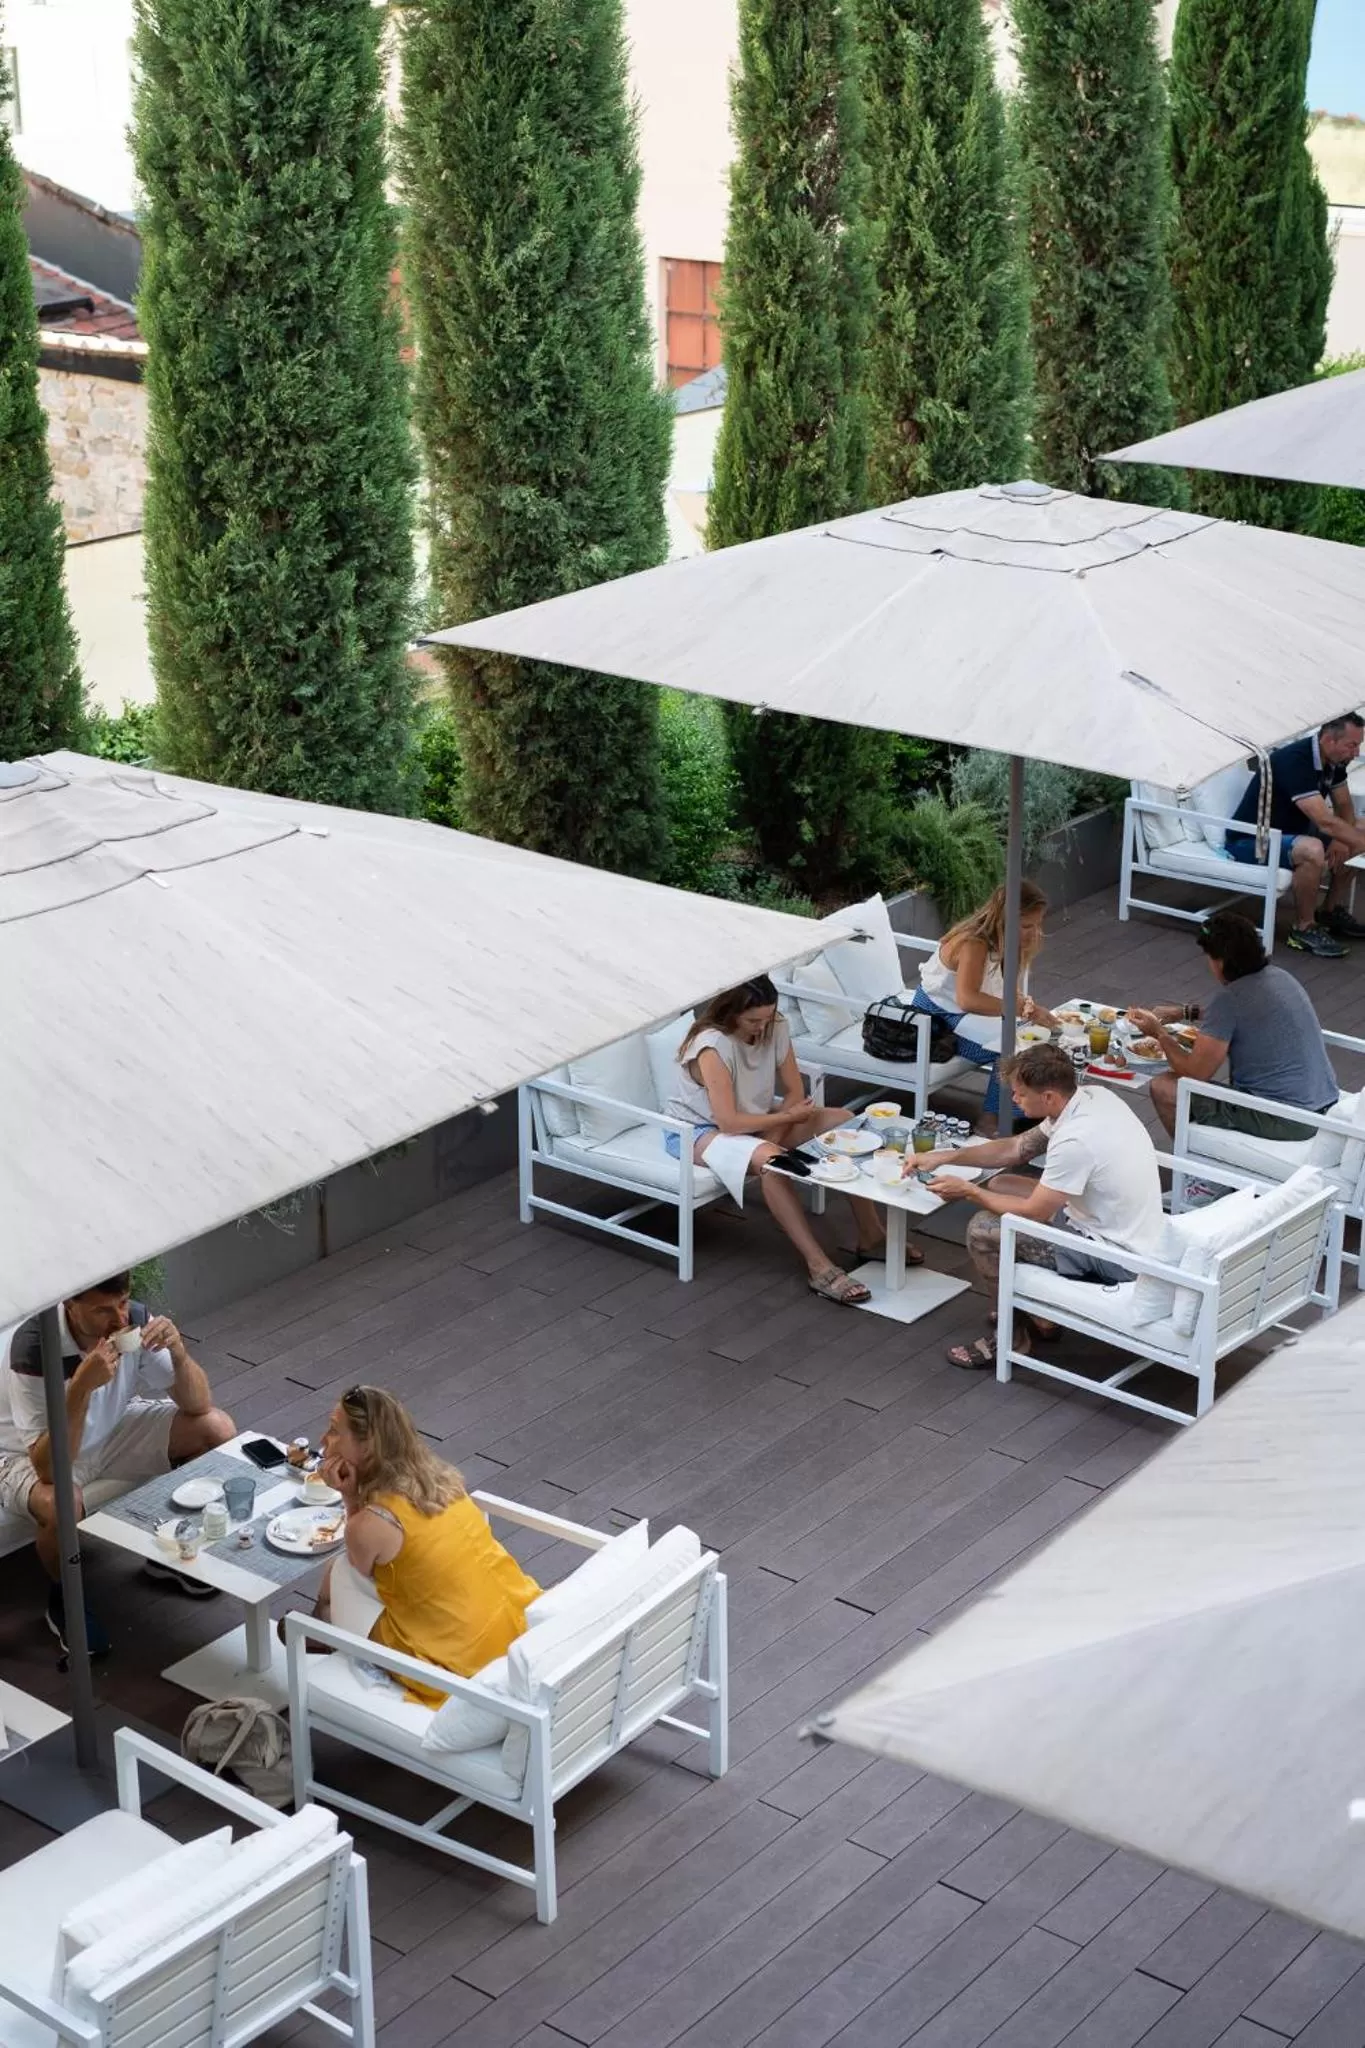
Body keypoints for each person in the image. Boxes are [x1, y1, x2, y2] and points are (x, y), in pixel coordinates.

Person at [0, 1276, 236, 1655]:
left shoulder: (135, 1320)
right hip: (30, 1452)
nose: (119, 1318)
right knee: (61, 1502)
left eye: (123, 1303)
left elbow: (199, 1405)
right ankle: (66, 1601)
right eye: (103, 1310)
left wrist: (177, 1351)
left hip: (111, 1429)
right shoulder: (34, 1350)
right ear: (69, 1304)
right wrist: (80, 1387)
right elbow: (49, 1468)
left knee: (216, 1429)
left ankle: (169, 1557)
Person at [917, 1044, 1165, 1371]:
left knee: (984, 1230)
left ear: (1048, 1096)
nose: (1014, 1100)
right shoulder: (1092, 1098)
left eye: (1020, 1095)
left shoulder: (1075, 1141)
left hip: (1116, 1254)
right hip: (1124, 1222)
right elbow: (1017, 1149)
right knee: (1001, 1184)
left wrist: (967, 1192)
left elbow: (1033, 1212)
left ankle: (1012, 1337)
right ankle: (1040, 1313)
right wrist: (946, 1155)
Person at [668, 975, 899, 1306]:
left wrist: (773, 1132)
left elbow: (794, 1091)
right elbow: (729, 1122)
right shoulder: (711, 1046)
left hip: (760, 1118)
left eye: (767, 1017)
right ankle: (819, 1267)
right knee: (776, 1164)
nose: (762, 1028)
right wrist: (782, 1125)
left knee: (846, 1124)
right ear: (730, 1012)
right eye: (753, 1021)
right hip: (700, 1130)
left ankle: (872, 1235)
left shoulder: (775, 1025)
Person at [310, 1386, 541, 1705]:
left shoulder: (372, 1523)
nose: (323, 1439)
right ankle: (320, 1623)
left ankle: (323, 1628)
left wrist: (349, 1496)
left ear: (367, 1445)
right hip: (506, 1628)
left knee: (340, 1575)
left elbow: (359, 1567)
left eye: (335, 1431)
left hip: (454, 1665)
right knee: (348, 1574)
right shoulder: (441, 1479)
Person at [1130, 910, 1339, 1142]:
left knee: (1165, 1087)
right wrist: (1185, 1012)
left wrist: (1158, 1033)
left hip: (1288, 1119)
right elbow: (1249, 1016)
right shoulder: (1280, 977)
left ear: (1219, 961)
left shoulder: (1230, 999)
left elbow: (1195, 1072)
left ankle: (1191, 1170)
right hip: (1324, 1102)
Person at [912, 883, 1060, 1134]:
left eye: (1037, 924)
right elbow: (967, 999)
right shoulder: (974, 943)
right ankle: (991, 1120)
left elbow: (1002, 990)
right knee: (1009, 1046)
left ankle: (1025, 1110)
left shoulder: (1004, 942)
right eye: (1027, 926)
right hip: (938, 1020)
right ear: (1005, 920)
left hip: (963, 1015)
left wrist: (1028, 1009)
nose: (1034, 932)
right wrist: (1025, 1010)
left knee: (1029, 1038)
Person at [1226, 714, 1365, 957]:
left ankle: (1329, 912)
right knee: (1313, 849)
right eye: (1352, 745)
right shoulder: (1295, 760)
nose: (1356, 753)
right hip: (1252, 840)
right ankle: (1303, 928)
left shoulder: (1334, 760)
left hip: (1292, 831)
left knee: (1358, 830)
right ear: (1329, 740)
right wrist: (1350, 839)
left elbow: (1343, 807)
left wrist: (1346, 840)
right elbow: (1323, 820)